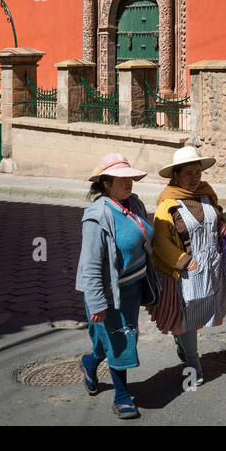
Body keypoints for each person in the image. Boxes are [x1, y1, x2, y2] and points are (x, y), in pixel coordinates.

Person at [74, 153, 153, 420]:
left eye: (130, 178)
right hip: (109, 294)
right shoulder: (97, 216)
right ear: (106, 184)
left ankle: (90, 361)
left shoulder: (134, 205)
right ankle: (122, 397)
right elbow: (92, 264)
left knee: (112, 338)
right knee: (121, 338)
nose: (129, 183)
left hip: (132, 289)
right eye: (121, 179)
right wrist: (96, 303)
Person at [146, 145, 226, 387]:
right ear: (176, 176)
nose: (195, 178)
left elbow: (216, 214)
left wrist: (222, 224)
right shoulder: (168, 204)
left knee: (199, 312)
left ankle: (183, 343)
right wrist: (185, 262)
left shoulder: (206, 194)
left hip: (210, 267)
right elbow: (161, 242)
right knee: (187, 316)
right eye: (189, 174)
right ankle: (193, 363)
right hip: (182, 270)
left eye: (198, 172)